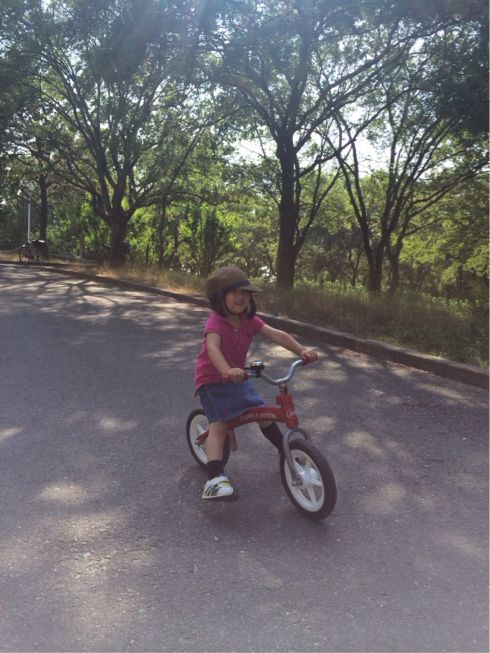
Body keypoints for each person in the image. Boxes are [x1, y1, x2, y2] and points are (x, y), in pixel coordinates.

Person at [194, 266, 318, 501]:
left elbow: (277, 334)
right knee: (219, 425)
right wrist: (226, 371)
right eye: (235, 293)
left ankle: (286, 452)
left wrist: (302, 350)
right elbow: (213, 349)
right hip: (213, 381)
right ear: (219, 296)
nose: (242, 298)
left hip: (238, 377)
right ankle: (214, 479)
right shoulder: (215, 322)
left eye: (246, 293)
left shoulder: (249, 320)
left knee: (264, 414)